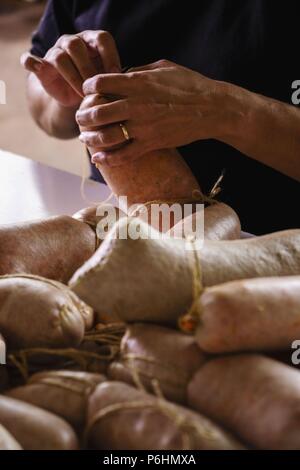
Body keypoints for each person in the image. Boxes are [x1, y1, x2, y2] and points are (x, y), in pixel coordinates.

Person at [22, 0, 300, 234]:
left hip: (272, 247)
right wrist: (67, 92)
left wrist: (225, 111)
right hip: (125, 233)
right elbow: (42, 105)